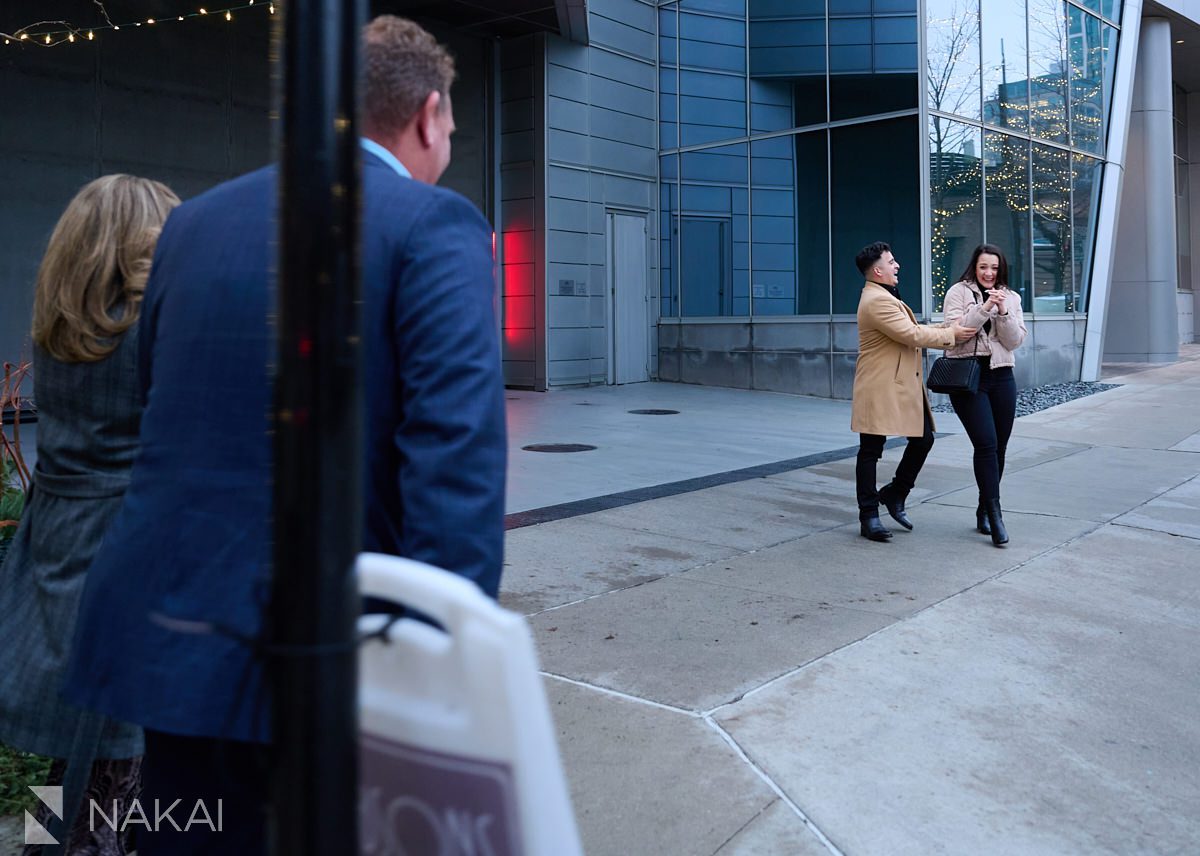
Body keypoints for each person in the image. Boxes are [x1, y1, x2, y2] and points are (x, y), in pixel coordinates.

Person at [62, 16, 506, 854]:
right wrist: (445, 686)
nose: (450, 140)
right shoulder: (435, 225)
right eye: (451, 125)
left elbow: (164, 412)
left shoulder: (193, 226)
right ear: (427, 114)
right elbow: (455, 480)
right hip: (334, 671)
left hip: (175, 654)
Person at [0, 174, 180, 854]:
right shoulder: (148, 334)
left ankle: (46, 845)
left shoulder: (60, 333)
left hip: (58, 550)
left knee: (73, 760)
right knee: (117, 768)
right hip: (127, 559)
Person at [851, 241, 977, 542]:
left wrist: (946, 328)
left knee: (923, 439)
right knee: (871, 450)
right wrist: (952, 335)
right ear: (877, 270)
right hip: (880, 386)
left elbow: (913, 328)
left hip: (899, 385)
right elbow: (911, 334)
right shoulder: (876, 300)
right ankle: (868, 515)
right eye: (891, 262)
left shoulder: (883, 295)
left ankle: (895, 493)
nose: (897, 266)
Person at [941, 243, 1027, 546]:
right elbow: (956, 331)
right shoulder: (958, 292)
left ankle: (983, 509)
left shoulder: (1012, 297)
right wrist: (985, 308)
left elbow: (1014, 341)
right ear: (974, 268)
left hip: (1002, 376)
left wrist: (1003, 311)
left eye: (993, 267)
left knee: (1000, 447)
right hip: (969, 377)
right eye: (983, 267)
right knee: (986, 444)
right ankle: (995, 513)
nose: (988, 273)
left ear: (1000, 268)